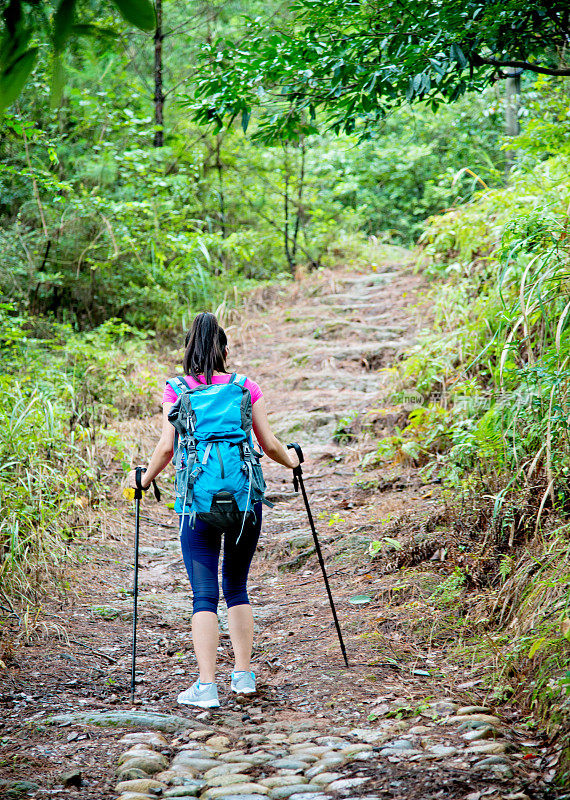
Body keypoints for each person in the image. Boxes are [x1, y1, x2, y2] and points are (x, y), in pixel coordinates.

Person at [128, 311, 299, 708]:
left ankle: (206, 687)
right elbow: (271, 445)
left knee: (203, 596)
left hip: (197, 507)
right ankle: (243, 676)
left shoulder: (177, 390)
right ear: (224, 350)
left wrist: (144, 479)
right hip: (245, 504)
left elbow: (168, 448)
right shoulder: (245, 387)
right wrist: (292, 460)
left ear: (188, 352)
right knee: (237, 588)